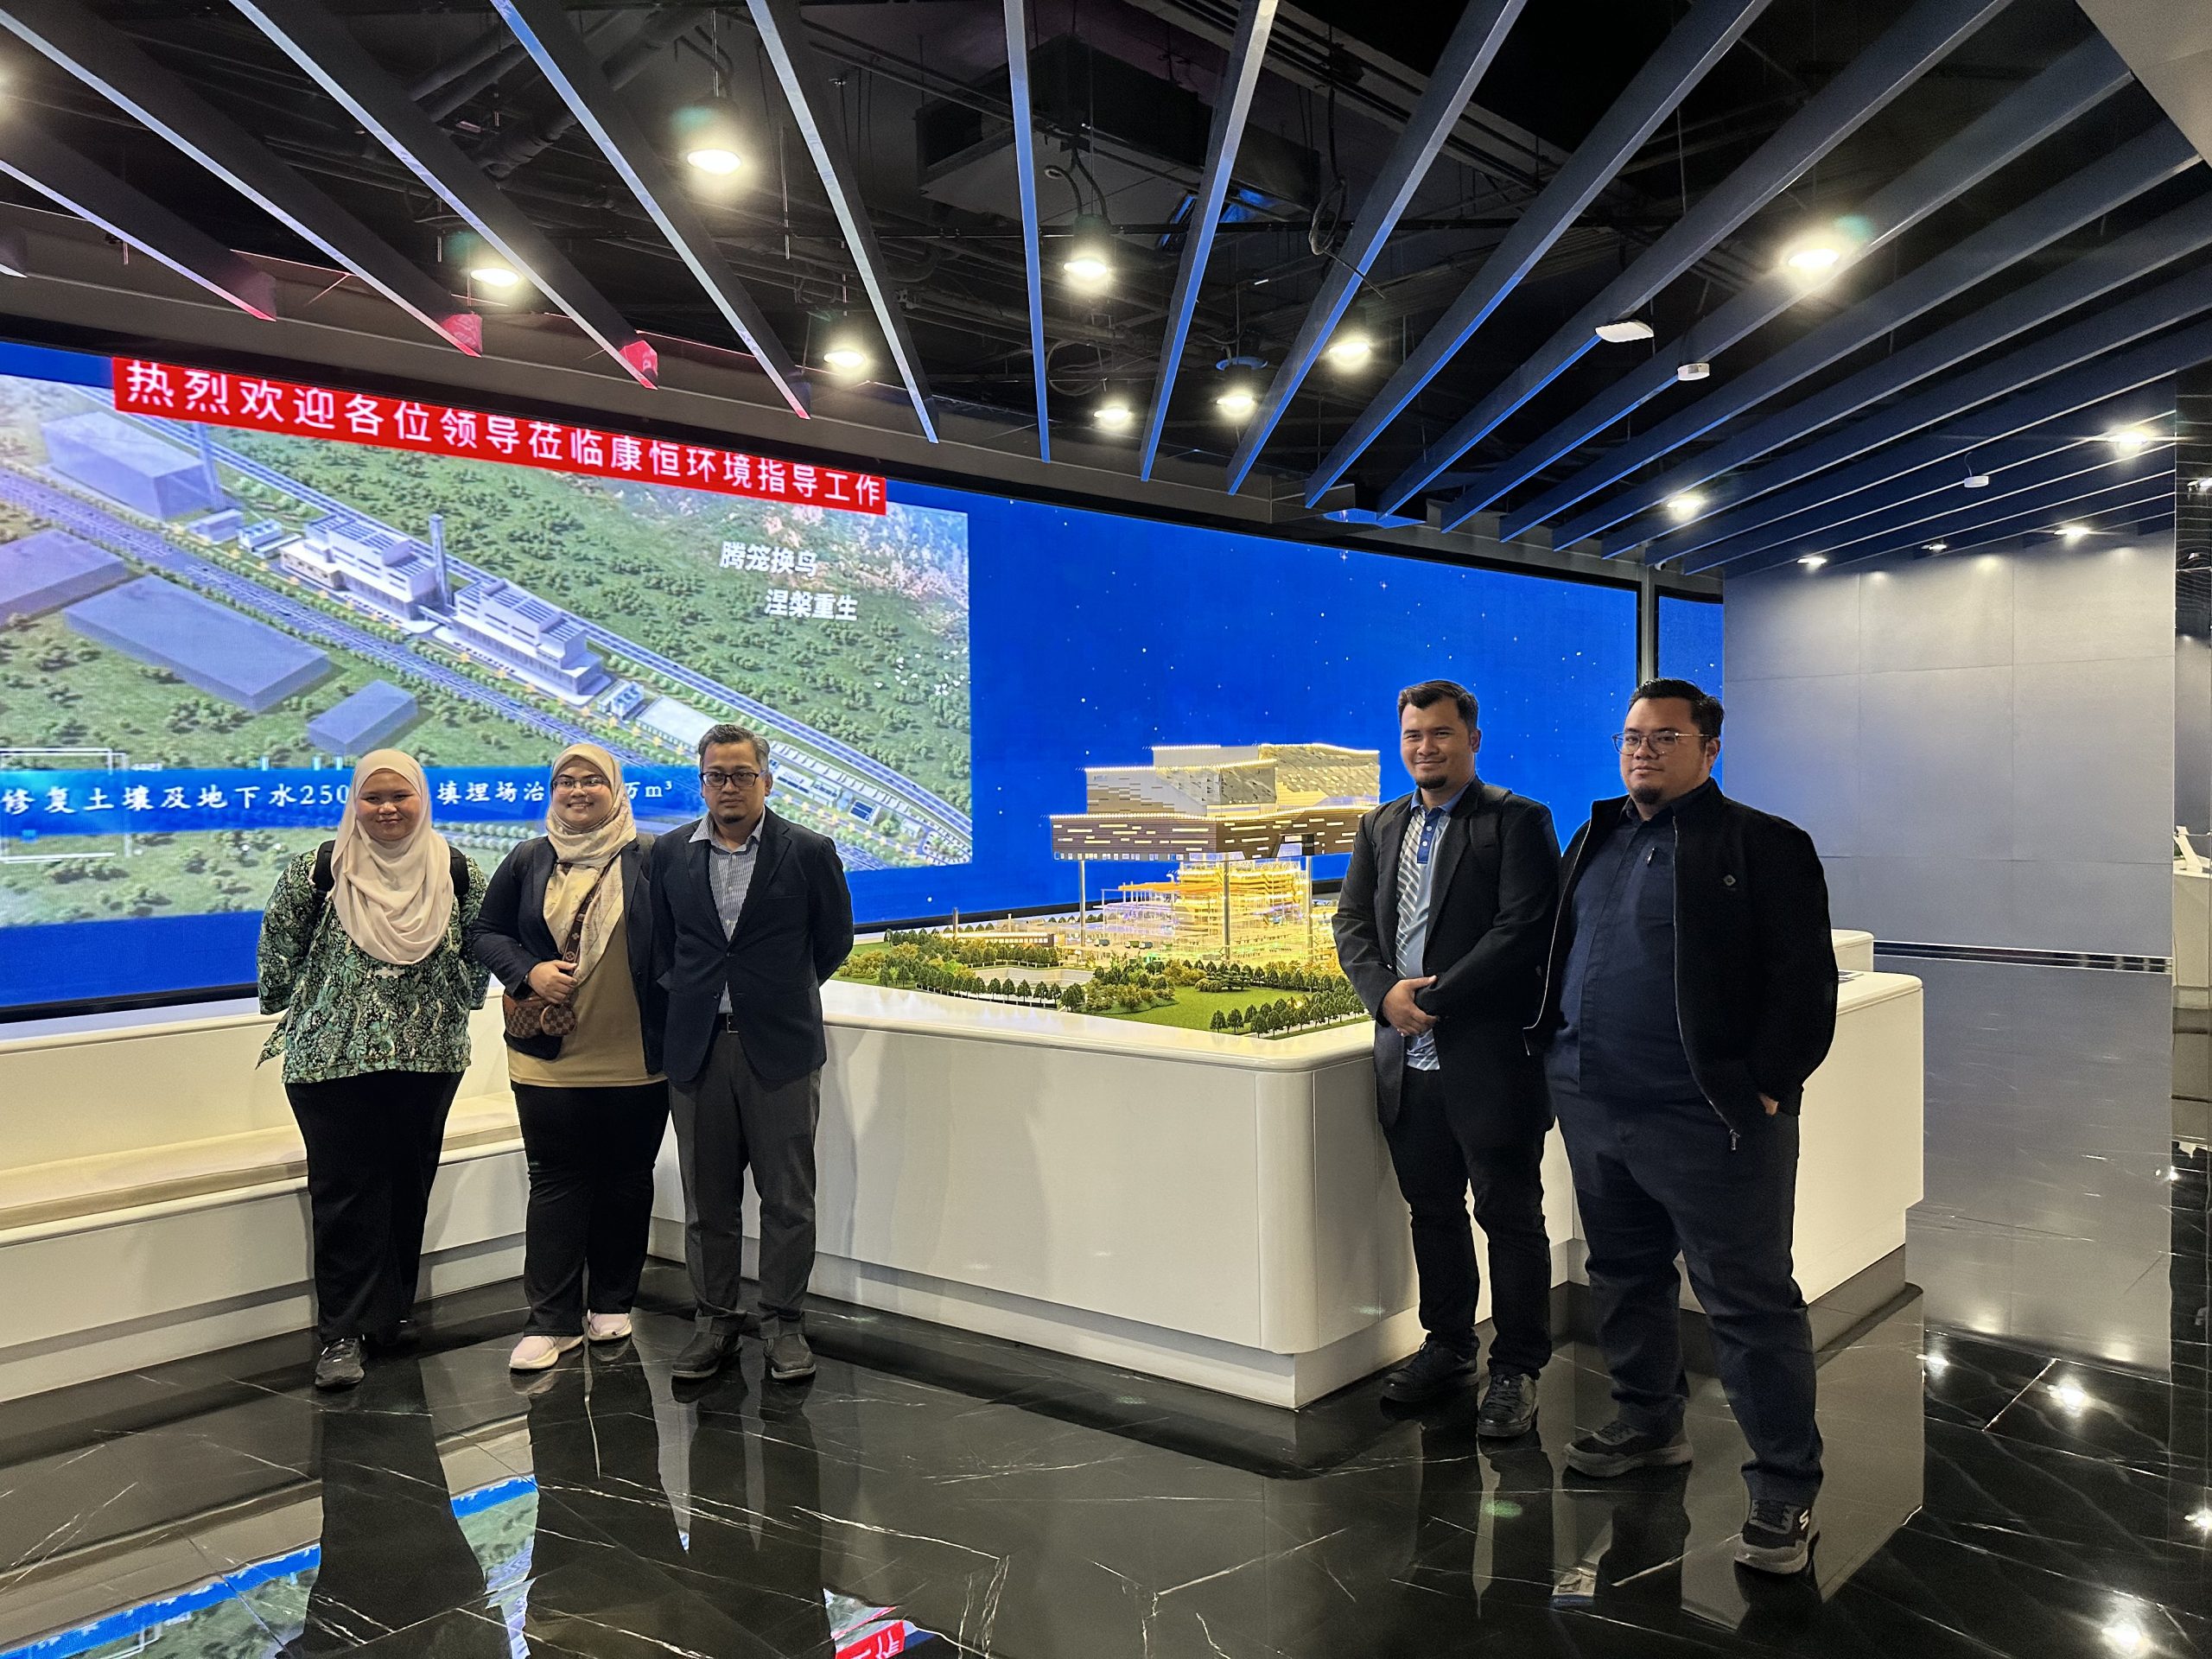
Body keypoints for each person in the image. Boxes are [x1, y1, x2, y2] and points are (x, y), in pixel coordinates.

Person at [1529, 677, 1838, 1577]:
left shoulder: (1763, 843)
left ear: (1709, 749)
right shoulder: (1595, 837)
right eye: (1632, 736)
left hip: (1707, 1120)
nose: (1643, 750)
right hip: (1595, 1104)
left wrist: (1766, 1088)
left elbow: (1803, 982)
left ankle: (1784, 1487)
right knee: (1624, 1275)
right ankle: (1648, 1421)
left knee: (1746, 1302)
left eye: (1665, 737)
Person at [1334, 680, 1560, 1431]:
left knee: (1510, 1216)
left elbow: (1523, 928)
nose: (1424, 747)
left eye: (1440, 733)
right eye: (1413, 735)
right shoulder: (1379, 825)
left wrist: (1432, 998)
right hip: (1406, 1064)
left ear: (1473, 739)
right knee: (1432, 1212)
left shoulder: (1516, 820)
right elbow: (1351, 925)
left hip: (1491, 1061)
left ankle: (1518, 1367)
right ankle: (1449, 1345)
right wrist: (1384, 997)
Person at [257, 749, 488, 1392]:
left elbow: (479, 948)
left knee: (408, 1183)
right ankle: (341, 1334)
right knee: (346, 1192)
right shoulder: (320, 869)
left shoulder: (458, 870)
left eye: (400, 796)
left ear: (422, 799)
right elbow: (278, 947)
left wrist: (457, 1004)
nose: (387, 808)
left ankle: (388, 1316)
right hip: (331, 1060)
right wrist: (300, 1004)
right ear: (354, 802)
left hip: (428, 1055)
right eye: (373, 797)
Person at [650, 722, 853, 1384]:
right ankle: (714, 1322)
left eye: (742, 775)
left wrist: (776, 995)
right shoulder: (670, 853)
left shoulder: (808, 851)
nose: (729, 787)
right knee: (708, 1204)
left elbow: (833, 941)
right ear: (702, 783)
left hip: (781, 1050)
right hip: (699, 1051)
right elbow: (661, 948)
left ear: (766, 780)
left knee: (787, 1200)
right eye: (717, 776)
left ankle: (784, 1326)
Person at [467, 743, 668, 1373]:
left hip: (638, 1056)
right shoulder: (530, 858)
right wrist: (528, 972)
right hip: (547, 1057)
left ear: (616, 790)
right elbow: (484, 932)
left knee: (627, 1179)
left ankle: (611, 1301)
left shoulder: (654, 857)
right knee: (556, 1182)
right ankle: (551, 1321)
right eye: (565, 782)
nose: (578, 791)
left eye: (592, 781)